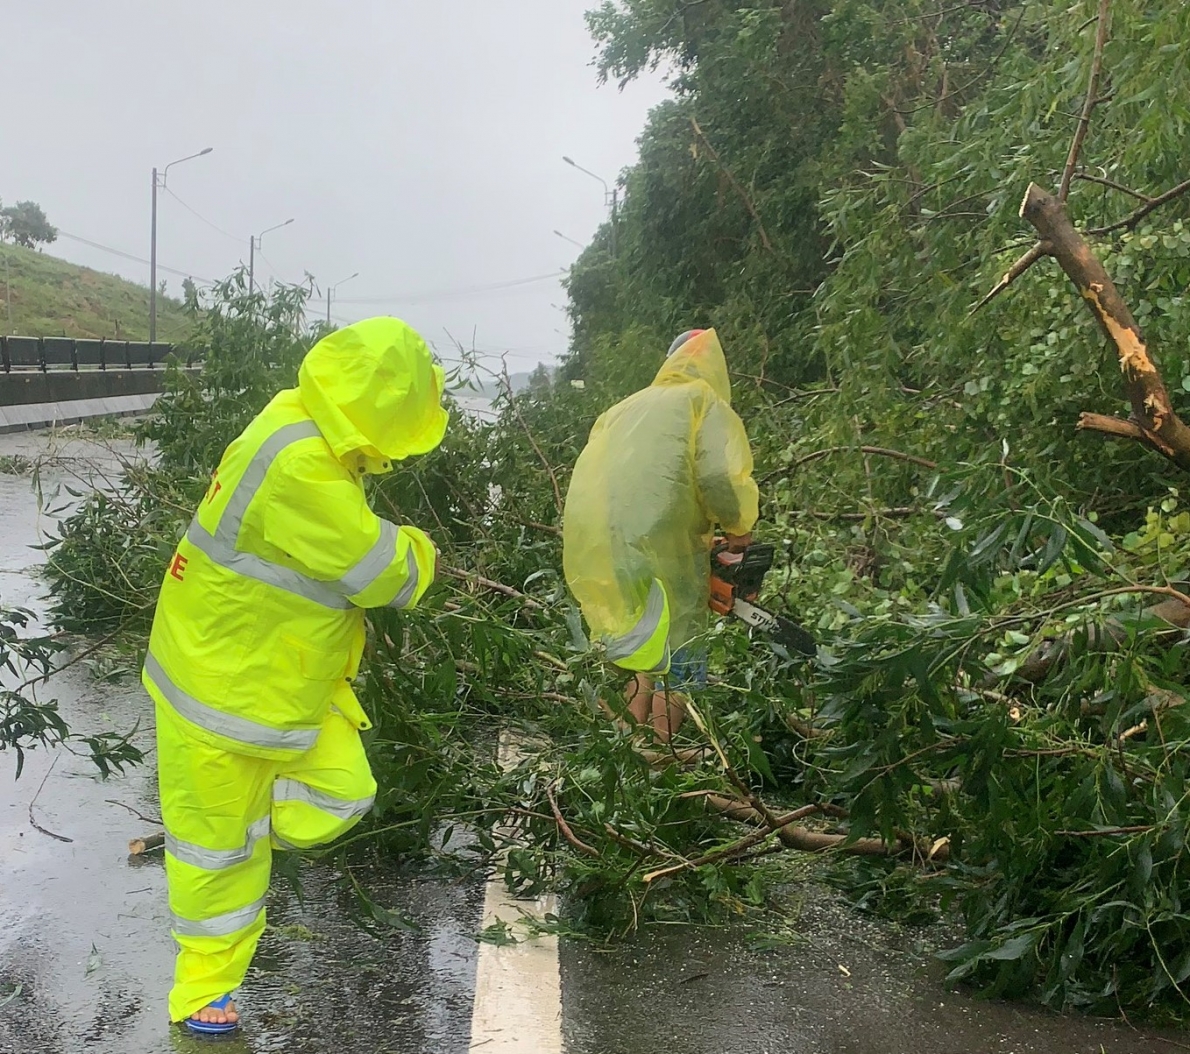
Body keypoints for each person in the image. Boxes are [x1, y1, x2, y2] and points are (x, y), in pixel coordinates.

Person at [141, 317, 448, 1035]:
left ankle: (261, 820)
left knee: (345, 792)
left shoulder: (292, 419)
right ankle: (200, 993)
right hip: (217, 693)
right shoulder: (304, 468)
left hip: (273, 686)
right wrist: (422, 548)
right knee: (213, 854)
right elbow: (385, 574)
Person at [562, 328, 759, 741]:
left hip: (608, 541)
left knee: (646, 642)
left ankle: (630, 739)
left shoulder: (623, 409)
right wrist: (739, 532)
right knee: (683, 645)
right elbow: (720, 476)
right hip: (665, 544)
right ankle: (662, 747)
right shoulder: (702, 402)